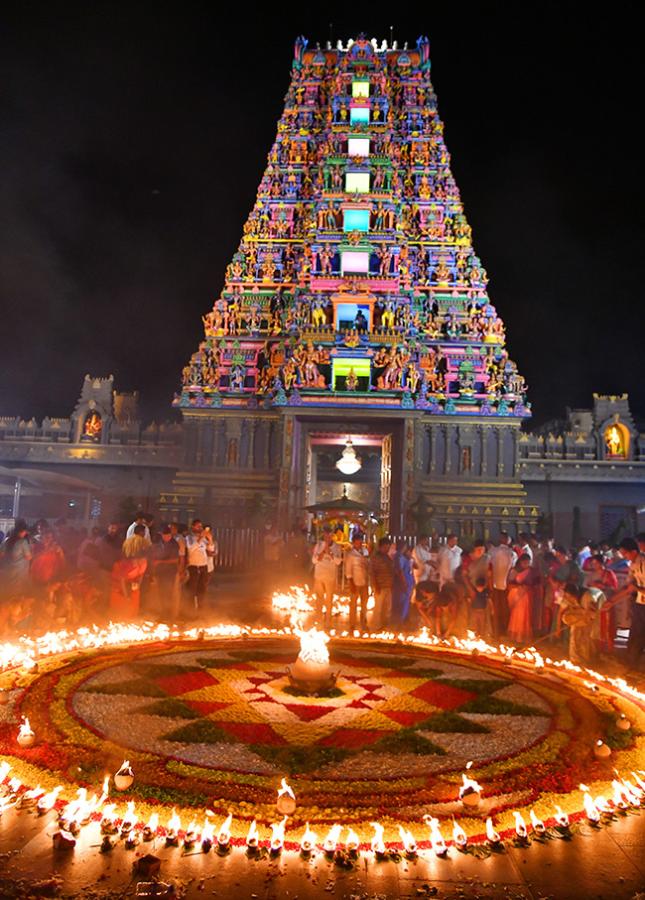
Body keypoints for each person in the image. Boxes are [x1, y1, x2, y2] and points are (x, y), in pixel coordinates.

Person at [602, 538, 645, 671]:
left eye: (625, 554)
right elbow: (628, 587)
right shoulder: (633, 565)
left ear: (633, 552)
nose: (624, 557)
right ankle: (631, 665)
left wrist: (637, 588)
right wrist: (611, 601)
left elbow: (633, 587)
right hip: (640, 604)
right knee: (635, 635)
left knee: (639, 636)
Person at [180, 519, 216, 614]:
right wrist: (200, 538)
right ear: (193, 527)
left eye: (201, 526)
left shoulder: (204, 538)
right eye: (198, 526)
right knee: (192, 589)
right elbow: (191, 548)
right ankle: (190, 610)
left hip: (203, 566)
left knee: (202, 589)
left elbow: (211, 550)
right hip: (193, 566)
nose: (200, 528)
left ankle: (201, 609)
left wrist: (210, 540)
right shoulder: (189, 538)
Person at [561, 582, 599, 665]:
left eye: (570, 596)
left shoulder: (587, 596)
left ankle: (584, 659)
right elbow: (568, 608)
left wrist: (583, 616)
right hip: (578, 618)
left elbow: (592, 612)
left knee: (583, 638)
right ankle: (575, 659)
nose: (568, 598)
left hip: (588, 618)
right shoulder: (568, 597)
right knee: (574, 635)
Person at [311, 526, 342, 629]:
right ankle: (319, 621)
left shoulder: (337, 546)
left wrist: (331, 553)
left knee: (329, 600)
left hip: (330, 577)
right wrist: (322, 552)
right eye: (325, 535)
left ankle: (328, 621)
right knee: (319, 600)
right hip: (319, 576)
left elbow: (338, 562)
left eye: (329, 536)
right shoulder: (319, 545)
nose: (327, 538)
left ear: (332, 536)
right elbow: (314, 560)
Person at [150, 525, 181, 619]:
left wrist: (160, 562)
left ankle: (169, 614)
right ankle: (163, 612)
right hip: (160, 572)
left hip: (170, 572)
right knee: (161, 592)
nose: (165, 537)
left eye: (167, 535)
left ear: (170, 535)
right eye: (163, 535)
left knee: (168, 592)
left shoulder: (174, 544)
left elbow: (175, 560)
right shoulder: (160, 543)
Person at [488, 532, 516, 637]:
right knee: (505, 608)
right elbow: (513, 569)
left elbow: (489, 568)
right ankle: (504, 630)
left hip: (494, 584)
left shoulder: (492, 551)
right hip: (506, 585)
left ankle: (496, 631)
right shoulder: (512, 553)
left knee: (495, 608)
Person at [344, 532, 369, 632]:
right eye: (357, 542)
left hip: (364, 582)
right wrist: (351, 583)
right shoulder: (350, 554)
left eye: (360, 542)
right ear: (354, 543)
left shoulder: (365, 551)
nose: (359, 544)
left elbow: (367, 564)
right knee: (353, 604)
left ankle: (363, 623)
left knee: (364, 604)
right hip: (355, 582)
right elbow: (348, 570)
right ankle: (352, 624)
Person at [507, 554, 534, 644]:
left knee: (524, 616)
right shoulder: (514, 571)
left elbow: (533, 583)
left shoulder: (530, 571)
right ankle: (516, 635)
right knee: (517, 615)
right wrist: (520, 587)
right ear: (520, 562)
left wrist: (526, 587)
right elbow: (510, 583)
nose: (526, 564)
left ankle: (521, 636)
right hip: (516, 595)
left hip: (525, 596)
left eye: (528, 563)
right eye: (524, 562)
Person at [1, 520, 32, 596]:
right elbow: (29, 557)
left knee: (7, 591)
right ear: (22, 531)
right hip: (19, 573)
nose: (25, 533)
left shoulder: (6, 540)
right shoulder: (23, 542)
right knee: (17, 594)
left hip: (7, 571)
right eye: (25, 531)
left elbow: (1, 554)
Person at [370, 537, 394, 630]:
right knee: (379, 607)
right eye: (386, 547)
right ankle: (376, 626)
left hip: (388, 585)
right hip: (380, 586)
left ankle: (384, 625)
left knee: (387, 607)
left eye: (388, 547)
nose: (387, 549)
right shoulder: (376, 557)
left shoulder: (387, 557)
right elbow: (372, 573)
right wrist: (376, 585)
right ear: (381, 547)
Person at [392, 541, 415, 627]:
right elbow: (400, 571)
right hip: (404, 583)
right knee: (402, 602)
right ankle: (400, 621)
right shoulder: (399, 557)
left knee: (406, 602)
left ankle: (403, 619)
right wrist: (404, 583)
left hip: (408, 582)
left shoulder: (404, 557)